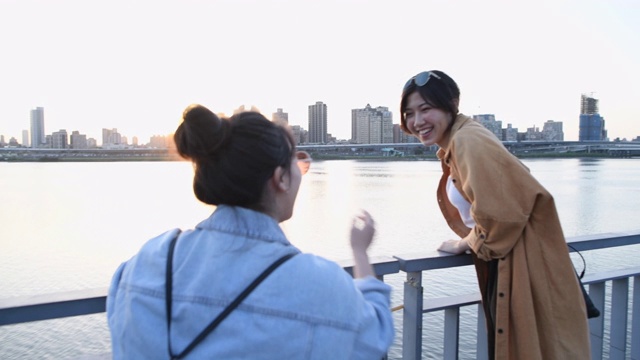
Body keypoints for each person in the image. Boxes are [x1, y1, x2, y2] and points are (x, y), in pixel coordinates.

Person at [106, 104, 394, 359]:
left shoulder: (147, 262)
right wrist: (359, 252)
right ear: (280, 178)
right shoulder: (319, 283)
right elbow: (375, 336)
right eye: (297, 162)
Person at [400, 70, 591, 359]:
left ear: (451, 104)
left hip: (524, 270)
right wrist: (471, 239)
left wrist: (467, 242)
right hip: (520, 265)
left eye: (426, 109)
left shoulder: (467, 141)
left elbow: (500, 217)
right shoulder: (461, 139)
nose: (417, 122)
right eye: (410, 113)